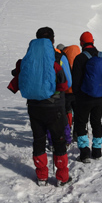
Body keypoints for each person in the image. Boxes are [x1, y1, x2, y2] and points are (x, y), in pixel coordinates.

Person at [9, 27, 72, 186]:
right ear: (52, 40)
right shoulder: (58, 57)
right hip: (55, 106)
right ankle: (62, 178)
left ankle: (42, 176)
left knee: (38, 140)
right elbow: (68, 83)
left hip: (34, 106)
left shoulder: (27, 58)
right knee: (59, 141)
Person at [71, 31, 102, 163]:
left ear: (81, 43)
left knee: (81, 123)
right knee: (97, 122)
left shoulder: (80, 58)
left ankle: (84, 152)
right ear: (93, 41)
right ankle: (97, 150)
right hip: (100, 97)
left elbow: (75, 81)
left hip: (84, 98)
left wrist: (76, 96)